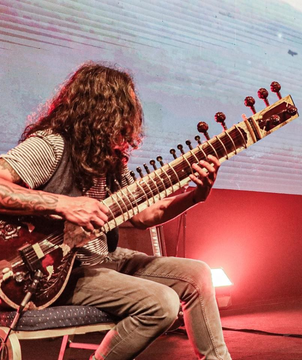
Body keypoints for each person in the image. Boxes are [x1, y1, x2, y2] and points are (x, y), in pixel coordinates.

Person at [0, 62, 232, 360]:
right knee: (161, 303)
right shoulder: (52, 144)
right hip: (57, 270)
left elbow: (143, 216)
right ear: (100, 111)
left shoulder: (109, 157)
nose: (130, 123)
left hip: (103, 259)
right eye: (123, 112)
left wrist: (194, 195)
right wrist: (64, 204)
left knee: (197, 274)